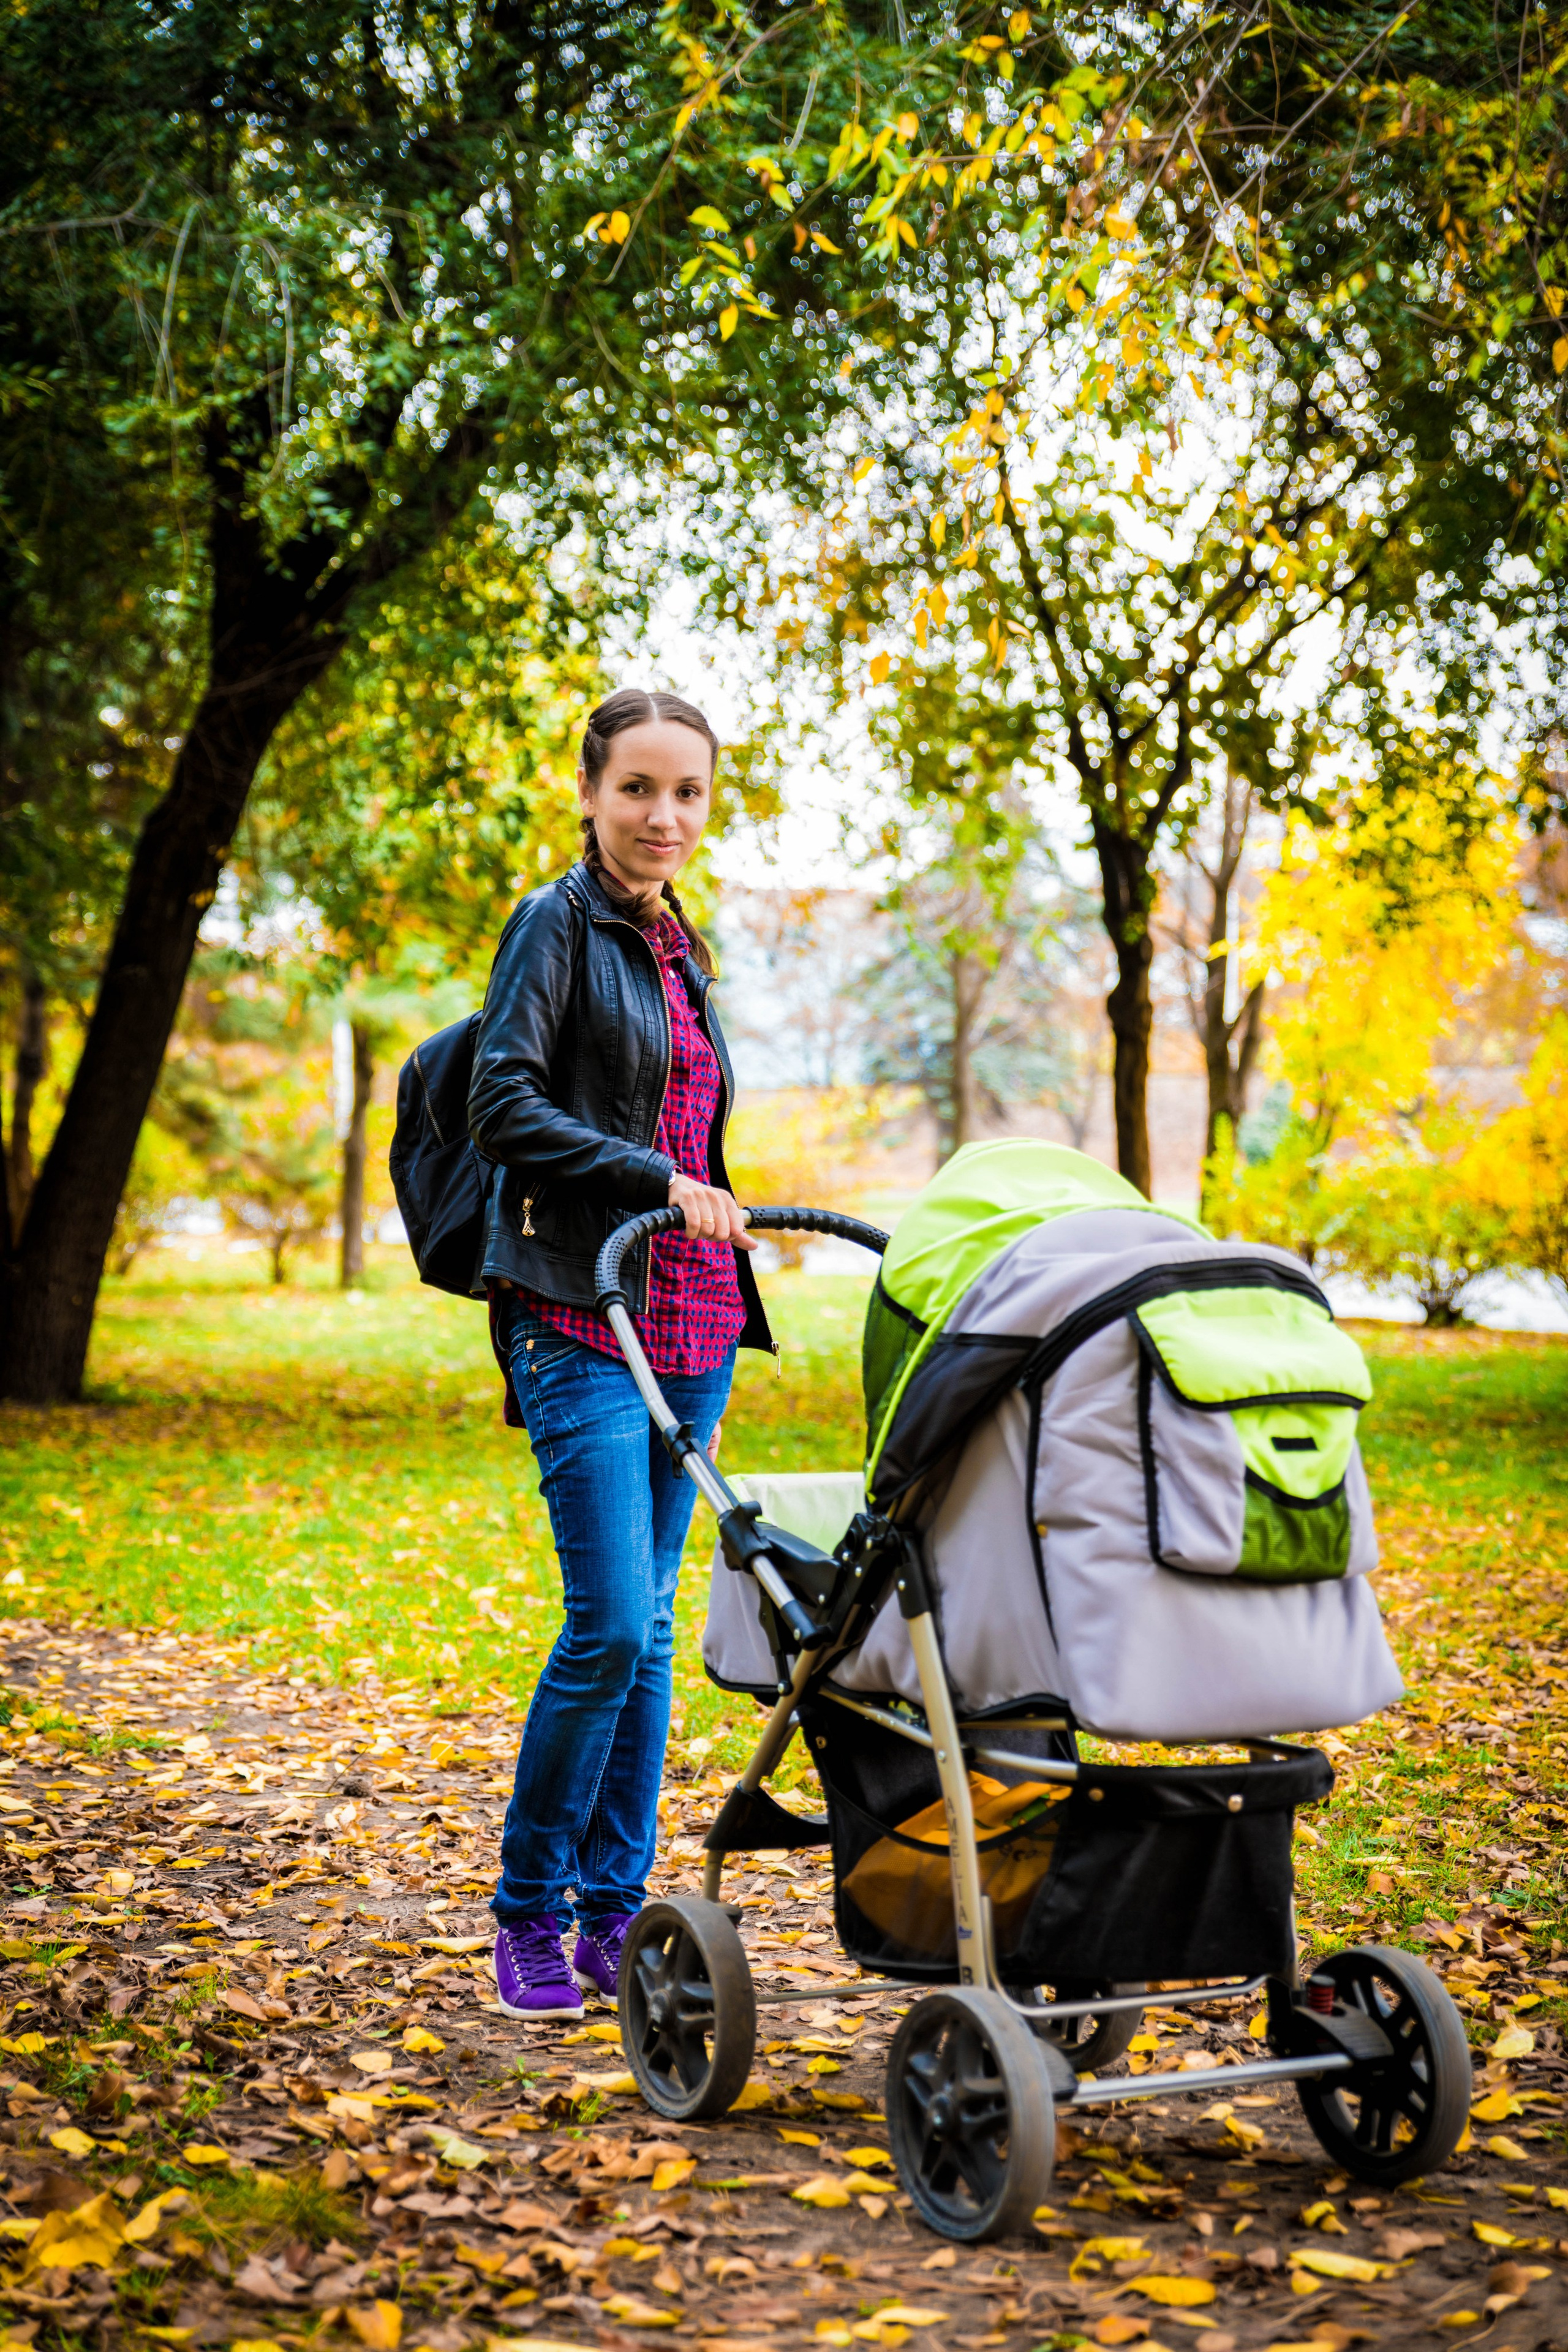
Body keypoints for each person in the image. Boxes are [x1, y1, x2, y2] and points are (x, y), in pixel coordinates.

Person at [467, 685, 772, 2019]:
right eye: (638, 788)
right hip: (578, 1312)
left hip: (694, 1321)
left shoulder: (681, 949)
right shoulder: (554, 924)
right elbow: (502, 1102)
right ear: (590, 793)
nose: (663, 816)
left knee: (650, 1636)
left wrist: (714, 1199)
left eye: (687, 793)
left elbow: (691, 1132)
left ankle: (613, 1913)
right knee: (605, 1624)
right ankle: (528, 1914)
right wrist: (653, 1172)